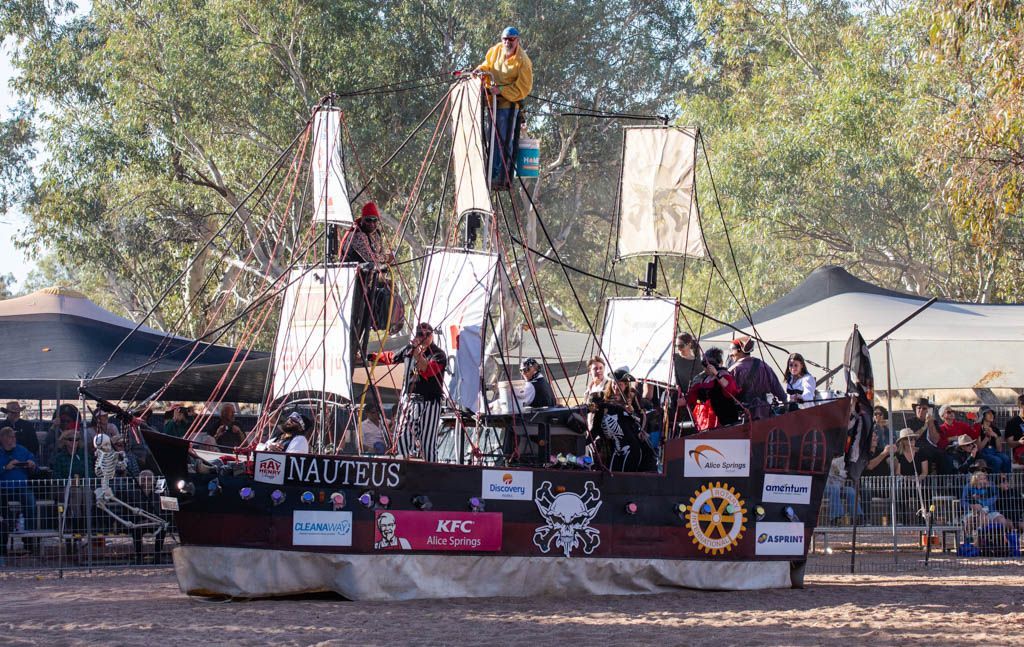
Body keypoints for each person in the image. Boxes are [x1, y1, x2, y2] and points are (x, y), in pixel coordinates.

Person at [369, 322, 448, 461]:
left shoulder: (438, 354)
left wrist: (417, 353)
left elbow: (427, 370)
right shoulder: (408, 350)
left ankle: (432, 472)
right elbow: (391, 357)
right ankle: (404, 468)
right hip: (410, 401)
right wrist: (371, 356)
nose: (423, 337)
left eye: (427, 334)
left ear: (432, 336)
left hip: (429, 402)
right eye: (420, 334)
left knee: (428, 442)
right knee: (403, 437)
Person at [475, 26, 533, 188]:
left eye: (511, 39)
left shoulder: (523, 62)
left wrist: (501, 90)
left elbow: (523, 88)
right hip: (493, 103)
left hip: (508, 105)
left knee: (504, 140)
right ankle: (490, 172)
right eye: (505, 39)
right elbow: (487, 65)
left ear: (517, 41)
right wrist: (480, 70)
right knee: (491, 138)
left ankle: (501, 176)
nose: (507, 42)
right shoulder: (495, 51)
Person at [590, 368, 656, 472]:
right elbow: (596, 426)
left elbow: (640, 417)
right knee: (611, 474)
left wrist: (631, 412)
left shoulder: (631, 399)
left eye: (620, 384)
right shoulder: (603, 400)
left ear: (625, 386)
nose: (616, 387)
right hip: (613, 448)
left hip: (630, 447)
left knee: (624, 476)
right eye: (614, 384)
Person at [727, 336, 785, 420]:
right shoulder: (764, 366)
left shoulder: (733, 370)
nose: (730, 354)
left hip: (744, 417)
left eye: (731, 349)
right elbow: (779, 390)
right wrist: (785, 405)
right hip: (765, 415)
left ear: (739, 350)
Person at [0, 426, 37, 554]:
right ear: (3, 439)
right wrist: (5, 467)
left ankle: (29, 541)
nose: (13, 439)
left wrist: (31, 464)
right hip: (3, 488)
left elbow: (33, 462)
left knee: (31, 502)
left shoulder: (22, 450)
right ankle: (3, 541)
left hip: (21, 487)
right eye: (10, 436)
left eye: (14, 436)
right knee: (3, 512)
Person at [686, 347, 741, 430]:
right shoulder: (703, 379)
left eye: (710, 364)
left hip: (724, 423)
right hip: (706, 423)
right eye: (705, 364)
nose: (707, 367)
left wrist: (716, 374)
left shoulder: (724, 375)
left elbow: (731, 391)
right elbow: (692, 396)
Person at [961, 468, 1015, 538]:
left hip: (990, 511)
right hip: (973, 512)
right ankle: (973, 538)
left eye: (984, 478)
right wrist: (971, 506)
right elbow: (963, 501)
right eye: (981, 479)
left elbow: (995, 497)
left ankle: (1001, 539)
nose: (983, 480)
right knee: (977, 519)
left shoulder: (991, 486)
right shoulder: (968, 487)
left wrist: (982, 504)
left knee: (1001, 519)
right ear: (975, 480)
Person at [129, 470, 167, 564]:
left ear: (153, 480)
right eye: (143, 479)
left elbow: (163, 510)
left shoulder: (159, 492)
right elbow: (128, 510)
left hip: (155, 521)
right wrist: (139, 521)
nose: (146, 481)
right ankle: (139, 557)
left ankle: (157, 556)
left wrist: (154, 520)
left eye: (149, 479)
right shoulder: (133, 492)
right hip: (139, 522)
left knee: (162, 529)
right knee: (135, 530)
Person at [825, 455, 862, 524]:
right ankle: (836, 517)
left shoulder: (841, 461)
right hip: (823, 487)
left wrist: (838, 473)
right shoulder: (825, 458)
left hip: (837, 487)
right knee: (835, 488)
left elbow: (843, 476)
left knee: (850, 490)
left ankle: (857, 516)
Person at [974, 406, 1011, 474]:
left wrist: (995, 436)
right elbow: (978, 448)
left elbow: (999, 450)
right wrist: (987, 437)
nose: (992, 415)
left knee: (1006, 459)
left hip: (994, 452)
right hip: (982, 453)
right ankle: (995, 481)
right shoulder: (978, 428)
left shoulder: (995, 429)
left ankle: (1005, 482)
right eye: (988, 413)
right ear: (983, 415)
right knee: (997, 461)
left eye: (992, 413)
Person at [1006, 394, 1024, 465]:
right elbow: (1010, 443)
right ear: (1022, 406)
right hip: (1020, 452)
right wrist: (1019, 442)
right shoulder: (1012, 422)